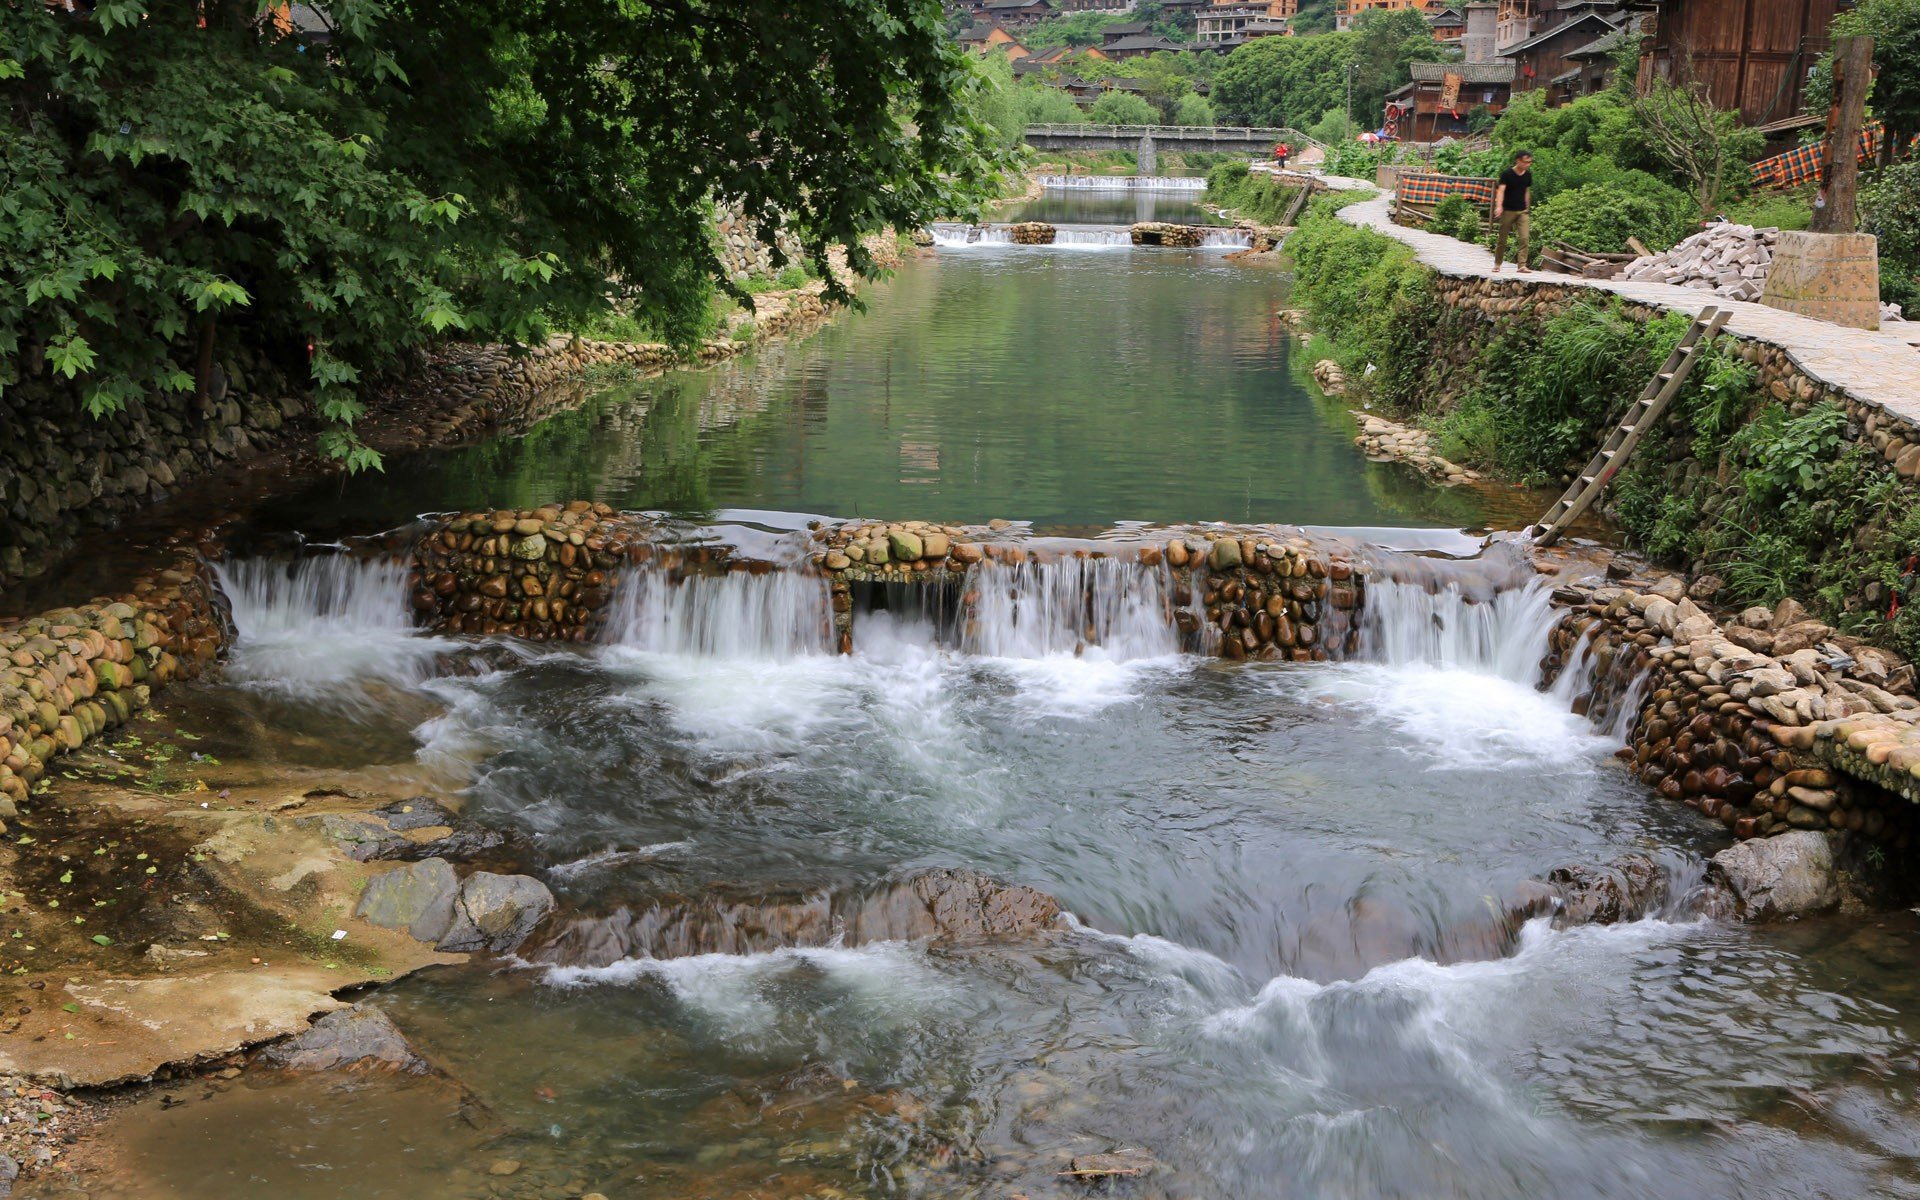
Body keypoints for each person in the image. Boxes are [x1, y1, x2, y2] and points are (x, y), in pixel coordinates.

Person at [1492, 151, 1533, 272]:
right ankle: (1497, 264)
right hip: (1508, 210)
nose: (1528, 164)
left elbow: (1526, 191)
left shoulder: (1528, 175)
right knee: (1502, 239)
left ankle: (1522, 265)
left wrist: (1527, 207)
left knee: (1524, 238)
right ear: (1518, 161)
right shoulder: (1507, 174)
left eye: (1530, 162)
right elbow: (1501, 191)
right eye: (1526, 162)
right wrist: (1499, 206)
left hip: (1522, 211)